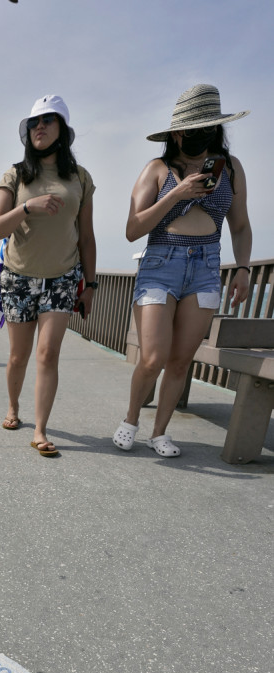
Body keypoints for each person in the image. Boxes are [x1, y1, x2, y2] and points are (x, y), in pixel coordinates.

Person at [113, 83, 252, 457]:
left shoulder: (231, 169)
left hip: (206, 265)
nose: (194, 137)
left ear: (216, 128)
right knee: (153, 356)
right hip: (161, 263)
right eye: (188, 131)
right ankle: (130, 419)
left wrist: (242, 268)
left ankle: (160, 432)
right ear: (176, 133)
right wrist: (177, 193)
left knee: (179, 360)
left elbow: (239, 225)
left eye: (204, 129)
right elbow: (133, 230)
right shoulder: (157, 169)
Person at [0, 94, 97, 456]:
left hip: (63, 278)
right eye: (34, 122)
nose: (39, 127)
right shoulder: (15, 175)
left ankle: (39, 429)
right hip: (19, 276)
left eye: (47, 121)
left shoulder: (80, 178)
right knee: (19, 357)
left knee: (48, 354)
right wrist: (26, 206)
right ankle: (13, 407)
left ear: (62, 130)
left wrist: (91, 284)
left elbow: (87, 236)